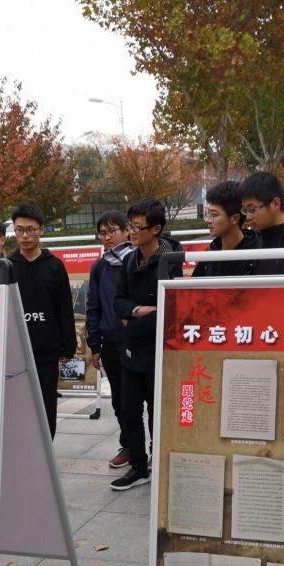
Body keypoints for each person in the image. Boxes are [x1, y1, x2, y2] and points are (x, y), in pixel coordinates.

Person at [111, 199, 182, 490]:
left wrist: (132, 319)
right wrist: (140, 310)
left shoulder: (170, 262)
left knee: (157, 412)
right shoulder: (129, 259)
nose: (131, 232)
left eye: (138, 227)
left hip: (159, 352)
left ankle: (159, 461)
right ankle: (139, 467)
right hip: (131, 352)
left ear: (156, 229)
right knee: (129, 412)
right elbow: (118, 302)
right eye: (130, 225)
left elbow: (170, 312)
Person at [7, 204, 76, 439]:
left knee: (46, 406)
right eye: (19, 230)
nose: (25, 236)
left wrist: (68, 345)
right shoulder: (7, 266)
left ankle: (47, 451)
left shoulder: (54, 266)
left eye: (30, 230)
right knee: (17, 406)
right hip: (16, 350)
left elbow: (64, 307)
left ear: (41, 230)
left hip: (46, 350)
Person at [87, 211, 135, 469]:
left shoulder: (137, 261)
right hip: (110, 343)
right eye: (102, 233)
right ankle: (128, 445)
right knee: (119, 401)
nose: (107, 237)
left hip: (137, 343)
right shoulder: (99, 267)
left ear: (127, 231)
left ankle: (151, 448)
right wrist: (95, 344)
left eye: (112, 231)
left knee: (142, 399)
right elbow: (93, 306)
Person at [191, 181, 261, 277]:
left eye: (214, 215)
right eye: (207, 214)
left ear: (234, 218)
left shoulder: (258, 255)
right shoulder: (211, 253)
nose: (208, 220)